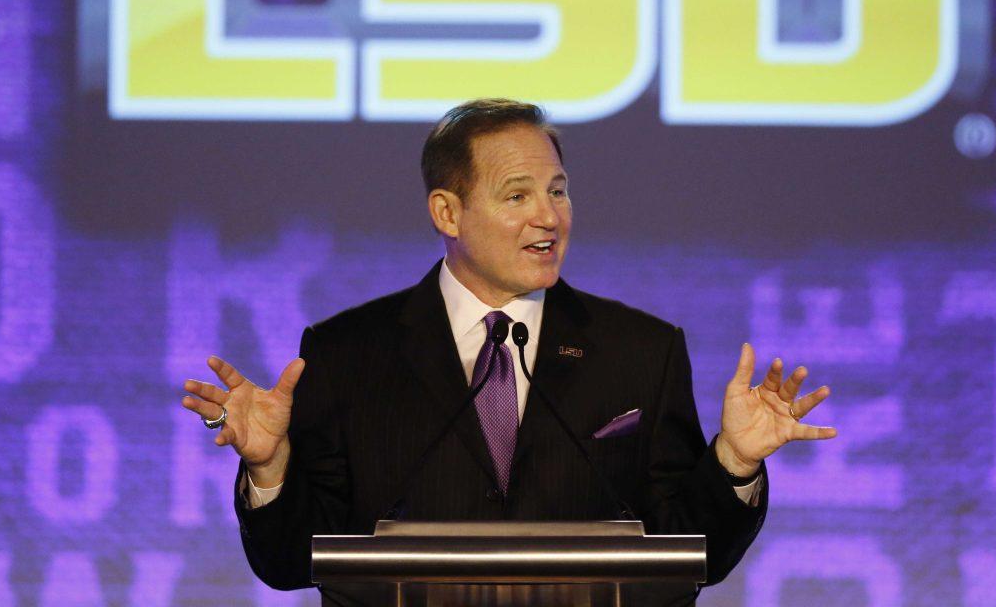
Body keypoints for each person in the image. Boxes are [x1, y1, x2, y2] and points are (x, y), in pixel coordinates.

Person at [180, 98, 836, 594]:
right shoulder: (348, 354)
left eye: (558, 191)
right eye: (517, 195)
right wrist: (269, 470)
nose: (548, 217)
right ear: (447, 212)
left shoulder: (640, 351)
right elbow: (291, 562)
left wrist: (734, 464)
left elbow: (693, 555)